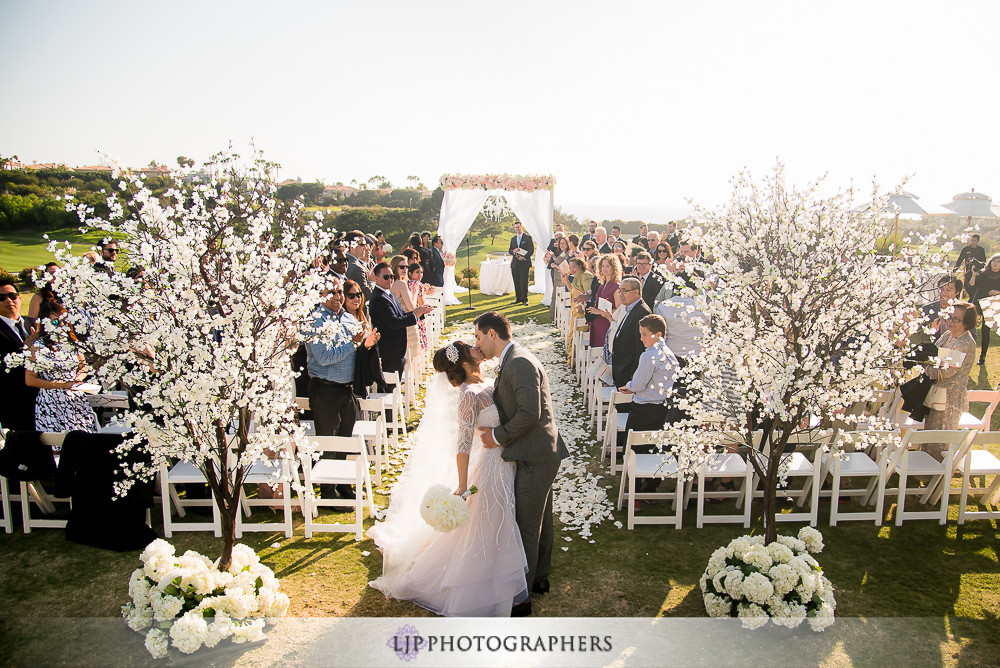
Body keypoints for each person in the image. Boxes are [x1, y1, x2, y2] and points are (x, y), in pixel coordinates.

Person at [368, 341, 528, 616]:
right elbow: (464, 443)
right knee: (493, 521)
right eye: (471, 348)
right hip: (491, 465)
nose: (477, 346)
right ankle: (490, 583)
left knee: (502, 517)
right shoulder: (468, 395)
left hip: (505, 459)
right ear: (465, 363)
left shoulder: (487, 380)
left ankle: (501, 577)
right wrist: (463, 484)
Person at [475, 312, 569, 617]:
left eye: (478, 336)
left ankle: (521, 597)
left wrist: (498, 436)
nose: (477, 343)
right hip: (537, 452)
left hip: (535, 454)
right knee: (541, 519)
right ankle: (539, 578)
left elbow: (530, 413)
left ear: (492, 334)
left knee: (526, 525)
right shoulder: (512, 357)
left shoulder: (518, 362)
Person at [617, 314, 679, 499]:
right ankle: (650, 487)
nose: (642, 339)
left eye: (645, 334)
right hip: (662, 409)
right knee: (655, 448)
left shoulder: (648, 356)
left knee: (635, 449)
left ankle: (635, 492)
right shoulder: (670, 355)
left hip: (642, 410)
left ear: (658, 334)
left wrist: (627, 388)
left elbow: (638, 385)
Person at [24, 301, 100, 433]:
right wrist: (61, 385)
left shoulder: (72, 342)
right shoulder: (37, 347)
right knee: (57, 445)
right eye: (55, 322)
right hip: (52, 401)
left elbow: (83, 366)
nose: (60, 325)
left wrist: (77, 379)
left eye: (63, 321)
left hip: (75, 399)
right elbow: (30, 380)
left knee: (83, 442)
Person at [922, 301, 978, 461]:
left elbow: (945, 372)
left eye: (956, 319)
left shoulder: (965, 344)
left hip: (950, 399)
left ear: (966, 323)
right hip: (936, 394)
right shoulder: (948, 334)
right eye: (949, 317)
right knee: (929, 435)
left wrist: (927, 368)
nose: (950, 322)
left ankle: (936, 479)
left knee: (939, 441)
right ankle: (923, 474)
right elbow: (932, 353)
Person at [369, 262, 432, 376]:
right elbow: (393, 322)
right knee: (389, 387)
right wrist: (414, 315)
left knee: (396, 381)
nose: (390, 280)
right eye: (386, 277)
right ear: (376, 278)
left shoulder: (389, 294)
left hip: (397, 348)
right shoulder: (379, 298)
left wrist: (420, 312)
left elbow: (401, 313)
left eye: (392, 276)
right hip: (389, 348)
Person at [0, 279, 40, 430]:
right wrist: (26, 347)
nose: (8, 300)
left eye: (12, 296)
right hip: (13, 400)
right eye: (1, 297)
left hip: (43, 398)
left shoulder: (35, 323)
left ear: (19, 298)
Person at [609, 277, 653, 389]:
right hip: (621, 368)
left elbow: (641, 346)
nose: (621, 295)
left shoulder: (642, 312)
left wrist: (635, 372)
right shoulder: (628, 308)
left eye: (625, 291)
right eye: (620, 291)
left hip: (628, 370)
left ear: (636, 292)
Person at [969, 253, 1000, 364]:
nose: (996, 263)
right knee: (969, 326)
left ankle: (982, 356)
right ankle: (966, 352)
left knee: (985, 330)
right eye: (994, 261)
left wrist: (998, 292)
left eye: (999, 262)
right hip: (978, 302)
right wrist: (973, 274)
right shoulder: (983, 273)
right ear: (990, 262)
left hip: (991, 305)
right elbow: (972, 284)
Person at [586, 254, 622, 348]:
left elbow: (619, 310)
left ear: (613, 268)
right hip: (596, 324)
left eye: (607, 266)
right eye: (602, 266)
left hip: (607, 325)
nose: (604, 269)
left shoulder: (616, 286)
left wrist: (598, 312)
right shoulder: (602, 283)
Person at [508, 221, 533, 305]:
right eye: (515, 227)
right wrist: (513, 251)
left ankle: (525, 299)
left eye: (518, 227)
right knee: (516, 281)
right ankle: (518, 298)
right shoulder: (513, 239)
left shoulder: (527, 238)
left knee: (524, 281)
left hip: (524, 263)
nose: (517, 229)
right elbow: (510, 250)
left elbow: (531, 250)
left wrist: (524, 257)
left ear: (522, 227)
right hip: (515, 264)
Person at [406, 264, 429, 353]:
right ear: (410, 273)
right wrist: (424, 292)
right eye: (417, 272)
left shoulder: (407, 283)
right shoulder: (417, 285)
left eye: (421, 272)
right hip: (418, 314)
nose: (420, 274)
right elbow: (421, 303)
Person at [344, 232, 373, 302]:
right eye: (362, 244)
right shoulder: (356, 267)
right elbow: (366, 294)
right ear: (352, 246)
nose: (365, 248)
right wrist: (372, 281)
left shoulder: (345, 261)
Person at [547, 236, 570, 321]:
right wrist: (553, 257)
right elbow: (558, 260)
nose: (562, 245)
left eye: (564, 243)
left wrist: (555, 266)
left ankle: (559, 317)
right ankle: (554, 316)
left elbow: (566, 267)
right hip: (556, 278)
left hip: (562, 279)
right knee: (555, 297)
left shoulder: (568, 254)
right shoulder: (561, 253)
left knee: (560, 298)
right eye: (560, 243)